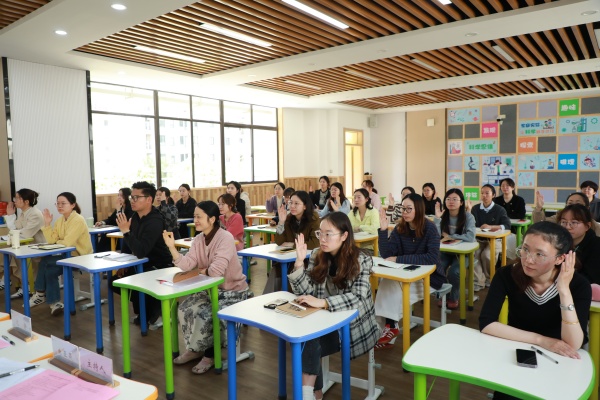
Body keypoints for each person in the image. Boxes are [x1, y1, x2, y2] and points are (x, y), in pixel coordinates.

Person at [479, 222, 591, 400]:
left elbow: (573, 343)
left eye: (540, 254)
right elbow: (487, 323)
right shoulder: (506, 275)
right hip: (517, 351)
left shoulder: (579, 285)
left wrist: (563, 290)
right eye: (525, 249)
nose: (528, 260)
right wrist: (541, 340)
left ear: (560, 259)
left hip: (559, 359)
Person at [289, 212, 379, 400]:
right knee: (306, 337)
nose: (322, 239)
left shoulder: (361, 259)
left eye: (328, 234)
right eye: (320, 233)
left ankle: (311, 393)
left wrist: (323, 302)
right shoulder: (317, 254)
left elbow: (358, 298)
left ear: (344, 235)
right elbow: (306, 291)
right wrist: (298, 264)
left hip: (351, 325)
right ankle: (312, 393)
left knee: (309, 341)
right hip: (324, 320)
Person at [163, 201, 248, 374]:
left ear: (212, 219)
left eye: (199, 217)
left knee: (206, 314)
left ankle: (209, 355)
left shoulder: (225, 238)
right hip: (210, 290)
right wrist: (172, 248)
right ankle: (195, 349)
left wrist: (201, 271)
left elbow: (216, 271)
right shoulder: (198, 239)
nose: (195, 220)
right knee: (185, 308)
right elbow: (188, 264)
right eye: (194, 216)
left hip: (232, 291)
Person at [374, 193, 444, 349]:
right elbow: (387, 255)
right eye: (403, 208)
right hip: (406, 274)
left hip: (429, 278)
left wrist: (399, 259)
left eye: (409, 209)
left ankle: (386, 329)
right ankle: (389, 328)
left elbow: (431, 258)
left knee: (391, 290)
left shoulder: (430, 228)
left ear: (418, 209)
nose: (404, 212)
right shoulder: (400, 228)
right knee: (388, 284)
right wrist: (383, 231)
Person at [109, 181, 172, 330]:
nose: (132, 200)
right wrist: (123, 265)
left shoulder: (155, 220)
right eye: (132, 197)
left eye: (136, 197)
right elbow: (128, 244)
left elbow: (141, 250)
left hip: (159, 266)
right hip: (141, 263)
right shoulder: (135, 217)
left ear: (149, 199)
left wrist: (126, 231)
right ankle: (148, 309)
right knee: (114, 282)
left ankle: (153, 307)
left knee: (138, 283)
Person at [30, 192, 92, 315]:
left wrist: (58, 241)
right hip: (67, 256)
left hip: (81, 257)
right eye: (57, 203)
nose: (59, 206)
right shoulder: (60, 220)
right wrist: (47, 224)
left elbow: (67, 243)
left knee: (46, 261)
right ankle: (55, 303)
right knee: (50, 271)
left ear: (73, 205)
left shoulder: (78, 220)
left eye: (63, 203)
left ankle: (40, 293)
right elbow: (51, 240)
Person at [433, 188, 476, 309]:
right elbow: (436, 236)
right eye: (448, 199)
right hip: (446, 251)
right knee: (437, 268)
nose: (451, 201)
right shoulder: (443, 215)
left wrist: (451, 236)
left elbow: (471, 236)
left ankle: (454, 297)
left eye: (454, 199)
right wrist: (437, 219)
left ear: (461, 202)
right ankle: (444, 295)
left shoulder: (468, 217)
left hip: (463, 254)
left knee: (454, 272)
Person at [468, 184, 512, 291]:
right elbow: (470, 225)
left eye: (487, 193)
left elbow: (507, 226)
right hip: (479, 239)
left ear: (493, 195)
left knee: (487, 255)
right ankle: (478, 281)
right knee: (474, 254)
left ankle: (489, 278)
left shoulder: (500, 209)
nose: (484, 195)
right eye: (482, 193)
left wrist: (491, 227)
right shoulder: (475, 208)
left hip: (496, 240)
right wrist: (468, 211)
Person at [2, 189, 45, 299]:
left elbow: (25, 234)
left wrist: (15, 229)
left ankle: (26, 286)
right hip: (26, 245)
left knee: (12, 255)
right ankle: (23, 285)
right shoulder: (23, 213)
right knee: (8, 254)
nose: (14, 200)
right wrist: (11, 215)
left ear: (26, 201)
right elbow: (15, 229)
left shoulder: (35, 214)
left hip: (36, 247)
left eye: (17, 198)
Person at [557, 204, 600, 285]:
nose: (568, 227)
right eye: (564, 222)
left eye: (574, 222)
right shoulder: (556, 243)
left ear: (587, 226)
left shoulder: (596, 245)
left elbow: (592, 278)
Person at [533, 191, 600, 236]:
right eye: (570, 203)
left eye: (578, 204)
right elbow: (540, 224)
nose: (573, 207)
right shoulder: (559, 217)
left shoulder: (594, 226)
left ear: (587, 208)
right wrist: (539, 207)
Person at [347, 188, 380, 254]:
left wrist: (360, 227)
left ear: (366, 199)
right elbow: (347, 228)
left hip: (370, 247)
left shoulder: (373, 212)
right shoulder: (352, 213)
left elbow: (375, 229)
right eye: (355, 197)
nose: (356, 200)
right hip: (353, 246)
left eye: (359, 197)